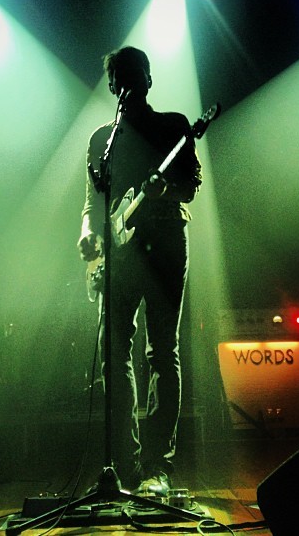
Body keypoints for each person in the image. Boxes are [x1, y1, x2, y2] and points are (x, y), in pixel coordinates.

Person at [77, 46, 202, 496]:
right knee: (114, 355)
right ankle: (125, 466)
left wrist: (162, 188)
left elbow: (189, 187)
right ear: (111, 86)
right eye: (119, 77)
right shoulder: (100, 140)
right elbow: (93, 202)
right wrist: (89, 233)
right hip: (121, 255)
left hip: (166, 243)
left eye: (134, 75)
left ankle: (156, 468)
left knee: (162, 352)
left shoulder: (174, 126)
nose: (126, 84)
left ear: (149, 79)